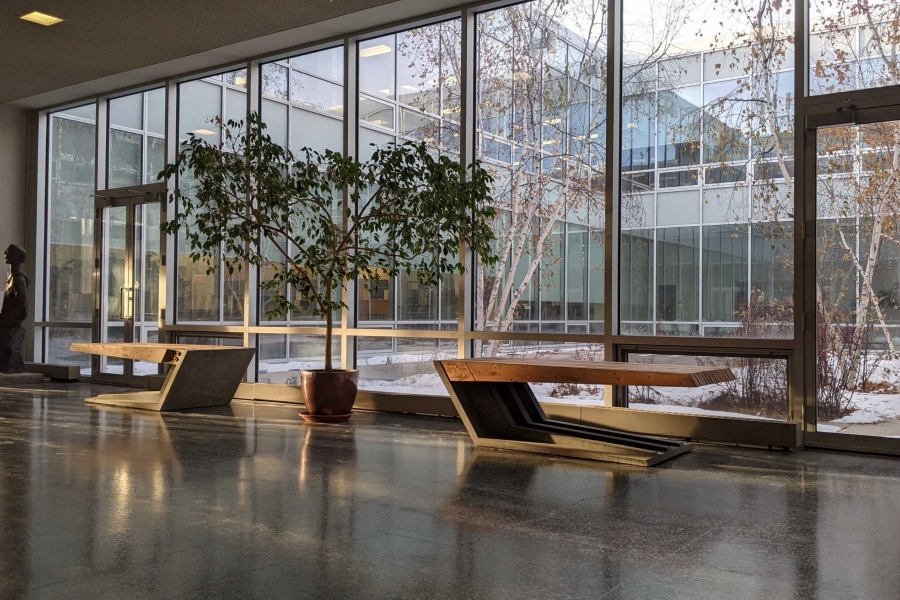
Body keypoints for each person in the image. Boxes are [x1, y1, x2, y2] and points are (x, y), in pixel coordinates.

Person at [0, 244, 29, 374]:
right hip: (8, 324)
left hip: (13, 326)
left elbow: (22, 308)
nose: (5, 253)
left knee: (10, 353)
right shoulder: (11, 278)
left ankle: (14, 368)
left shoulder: (19, 280)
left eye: (9, 251)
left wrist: (6, 319)